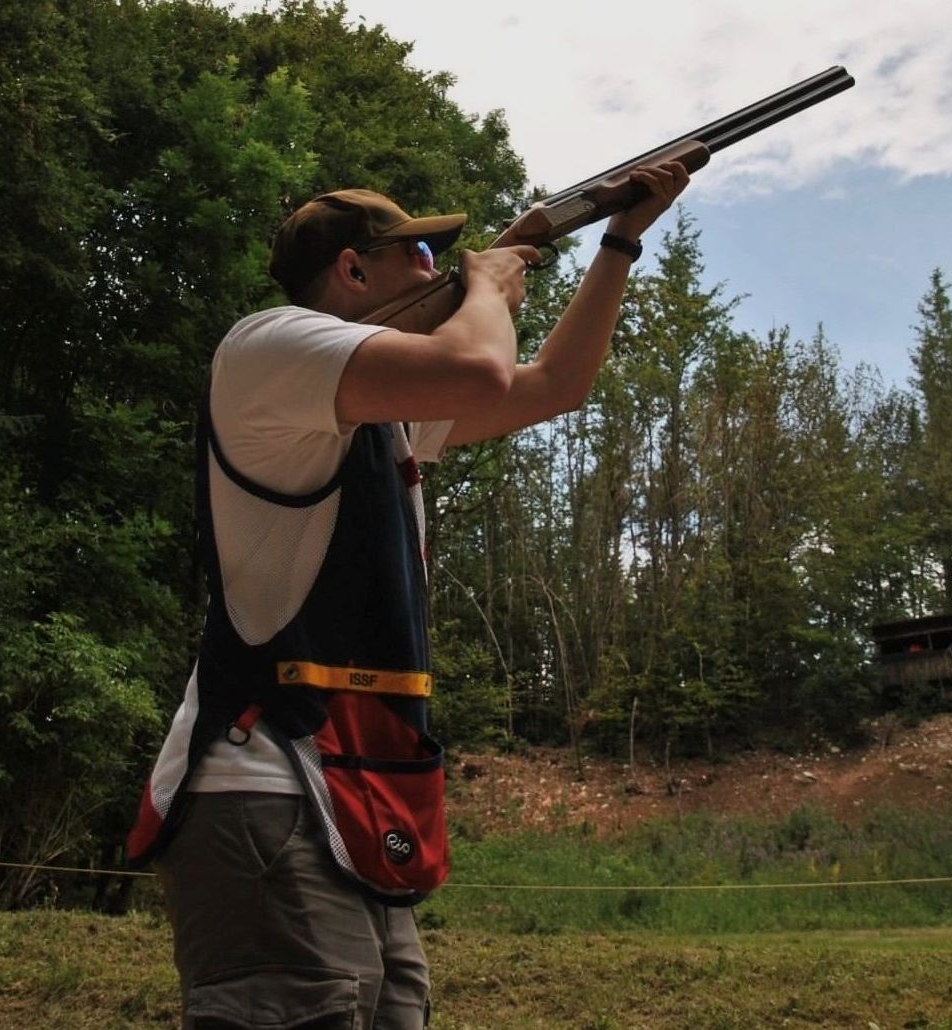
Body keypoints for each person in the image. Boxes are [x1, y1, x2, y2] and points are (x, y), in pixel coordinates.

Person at [127, 159, 692, 1029]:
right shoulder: (264, 345)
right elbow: (477, 372)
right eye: (423, 256)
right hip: (263, 783)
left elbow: (551, 388)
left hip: (348, 789)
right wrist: (492, 280)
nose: (443, 267)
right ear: (353, 270)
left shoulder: (376, 410)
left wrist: (618, 241)